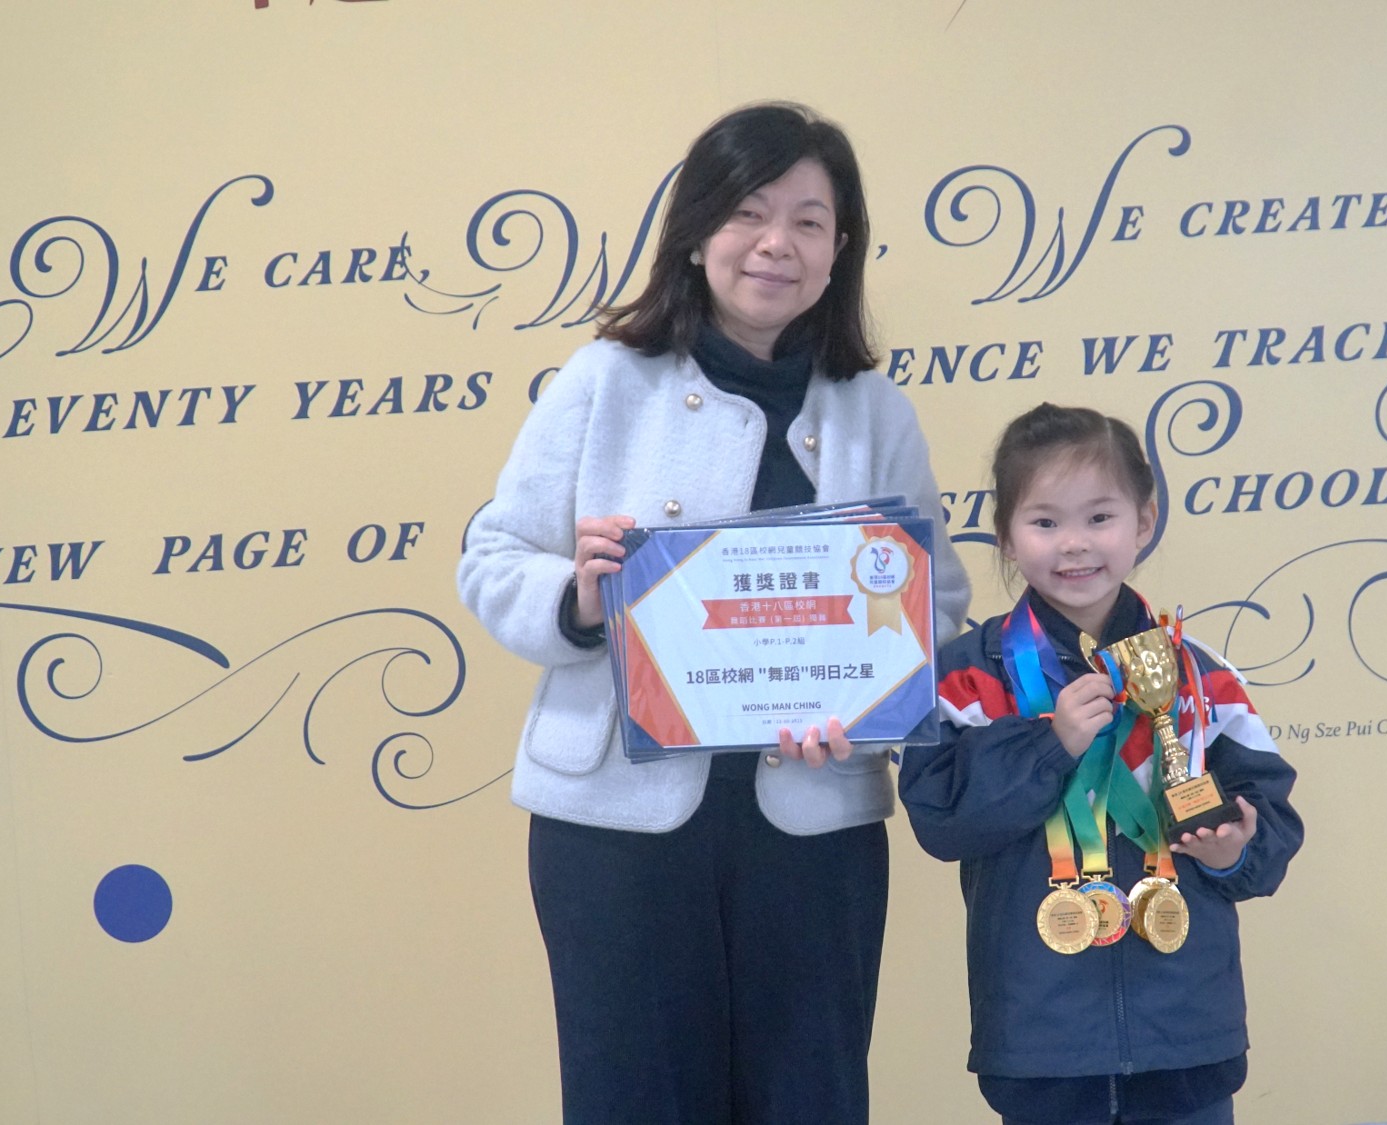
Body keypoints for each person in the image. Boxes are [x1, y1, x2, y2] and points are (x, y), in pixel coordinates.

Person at [458, 102, 971, 1125]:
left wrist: (873, 703)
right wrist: (580, 600)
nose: (777, 243)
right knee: (633, 1097)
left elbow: (937, 600)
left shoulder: (874, 410)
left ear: (840, 250)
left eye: (809, 221)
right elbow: (494, 557)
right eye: (748, 212)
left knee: (808, 1096)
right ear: (695, 233)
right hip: (617, 826)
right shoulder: (604, 380)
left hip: (812, 825)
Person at [898, 403, 1303, 1125]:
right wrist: (1050, 744)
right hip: (1041, 1038)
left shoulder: (1199, 675)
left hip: (1186, 1034)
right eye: (1045, 521)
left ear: (1144, 522)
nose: (1075, 543)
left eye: (1100, 517)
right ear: (1006, 536)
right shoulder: (968, 677)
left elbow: (1268, 818)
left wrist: (1235, 852)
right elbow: (941, 820)